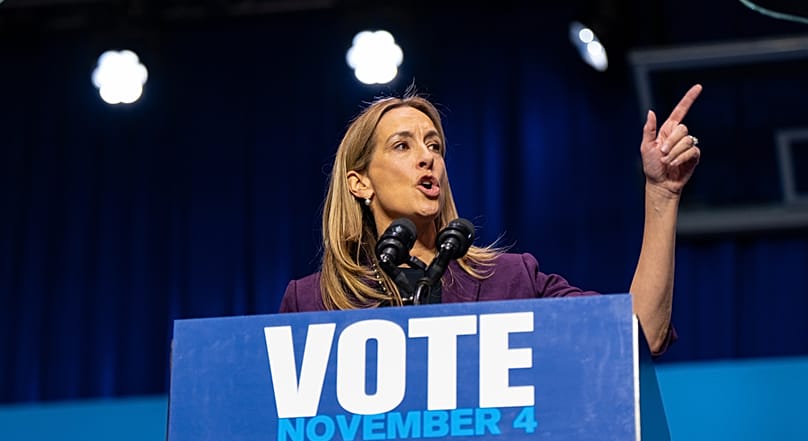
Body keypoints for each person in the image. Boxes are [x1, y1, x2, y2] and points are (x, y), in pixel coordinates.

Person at [279, 84, 702, 356]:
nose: (428, 157)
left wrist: (662, 195)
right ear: (360, 183)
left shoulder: (512, 281)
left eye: (434, 145)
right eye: (402, 147)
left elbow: (639, 334)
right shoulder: (314, 302)